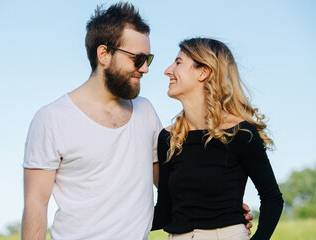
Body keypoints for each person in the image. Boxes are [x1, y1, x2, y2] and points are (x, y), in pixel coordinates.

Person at [22, 3, 253, 240]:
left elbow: (176, 187)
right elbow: (36, 204)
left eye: (148, 59)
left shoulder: (146, 112)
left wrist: (225, 214)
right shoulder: (52, 118)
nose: (145, 69)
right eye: (138, 58)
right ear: (104, 54)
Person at [152, 38, 284, 240]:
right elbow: (163, 211)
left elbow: (272, 198)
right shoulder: (168, 138)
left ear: (203, 72)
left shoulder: (240, 133)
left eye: (178, 63)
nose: (168, 70)